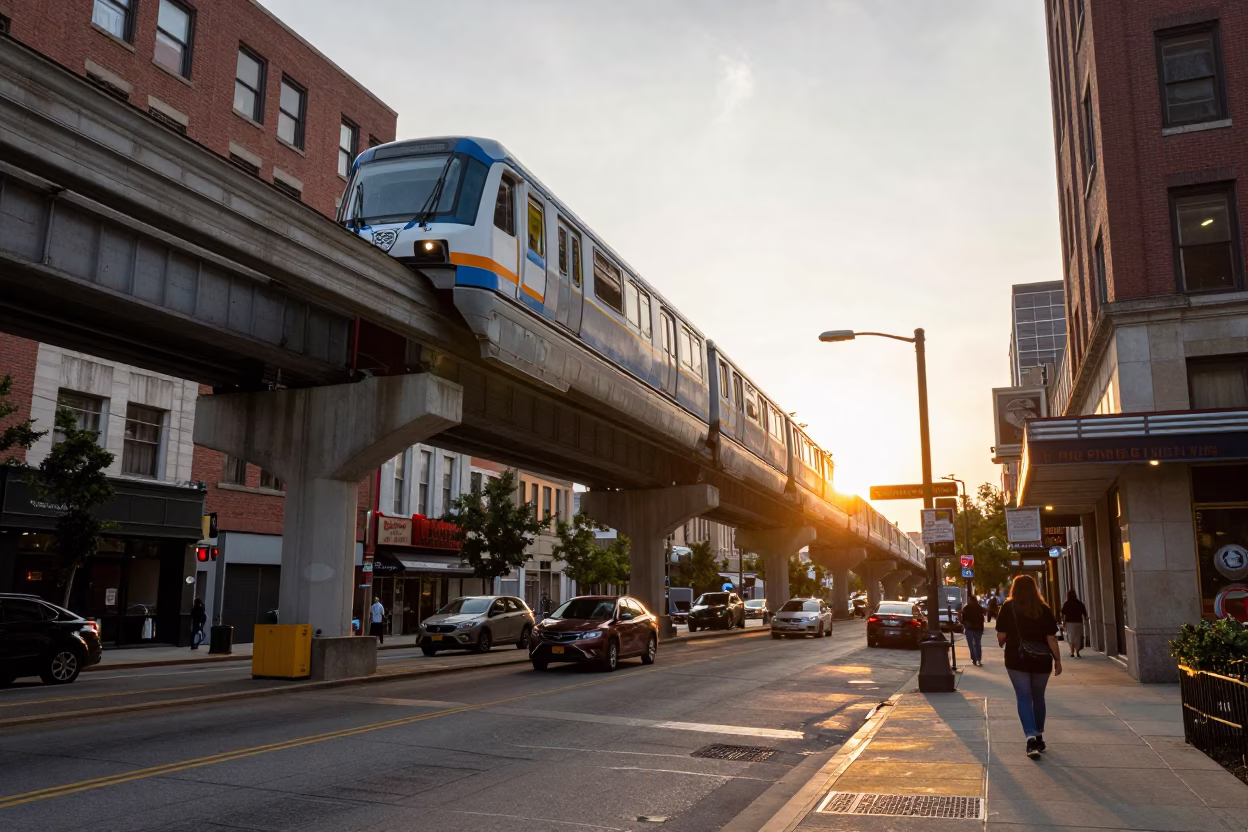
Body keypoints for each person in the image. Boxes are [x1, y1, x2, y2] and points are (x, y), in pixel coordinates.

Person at [996, 574, 1062, 759]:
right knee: (1038, 697)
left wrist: (1006, 639)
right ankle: (1039, 735)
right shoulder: (1044, 608)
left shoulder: (1008, 608)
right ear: (1035, 589)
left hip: (1017, 658)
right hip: (1041, 660)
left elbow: (1001, 637)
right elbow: (1051, 638)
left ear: (1014, 589)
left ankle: (1031, 738)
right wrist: (1057, 660)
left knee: (1024, 697)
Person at [959, 594, 986, 666]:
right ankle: (979, 659)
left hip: (969, 628)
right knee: (977, 644)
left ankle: (974, 659)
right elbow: (984, 614)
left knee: (971, 645)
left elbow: (962, 618)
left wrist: (963, 623)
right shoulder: (979, 607)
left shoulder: (966, 608)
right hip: (978, 628)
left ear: (970, 600)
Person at [1061, 589, 1088, 658]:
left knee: (1071, 637)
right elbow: (1084, 611)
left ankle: (1072, 652)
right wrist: (1085, 618)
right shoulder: (1079, 603)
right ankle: (1077, 652)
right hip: (1078, 622)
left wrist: (1063, 622)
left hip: (1070, 622)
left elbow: (1063, 613)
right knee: (1078, 637)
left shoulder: (1067, 603)